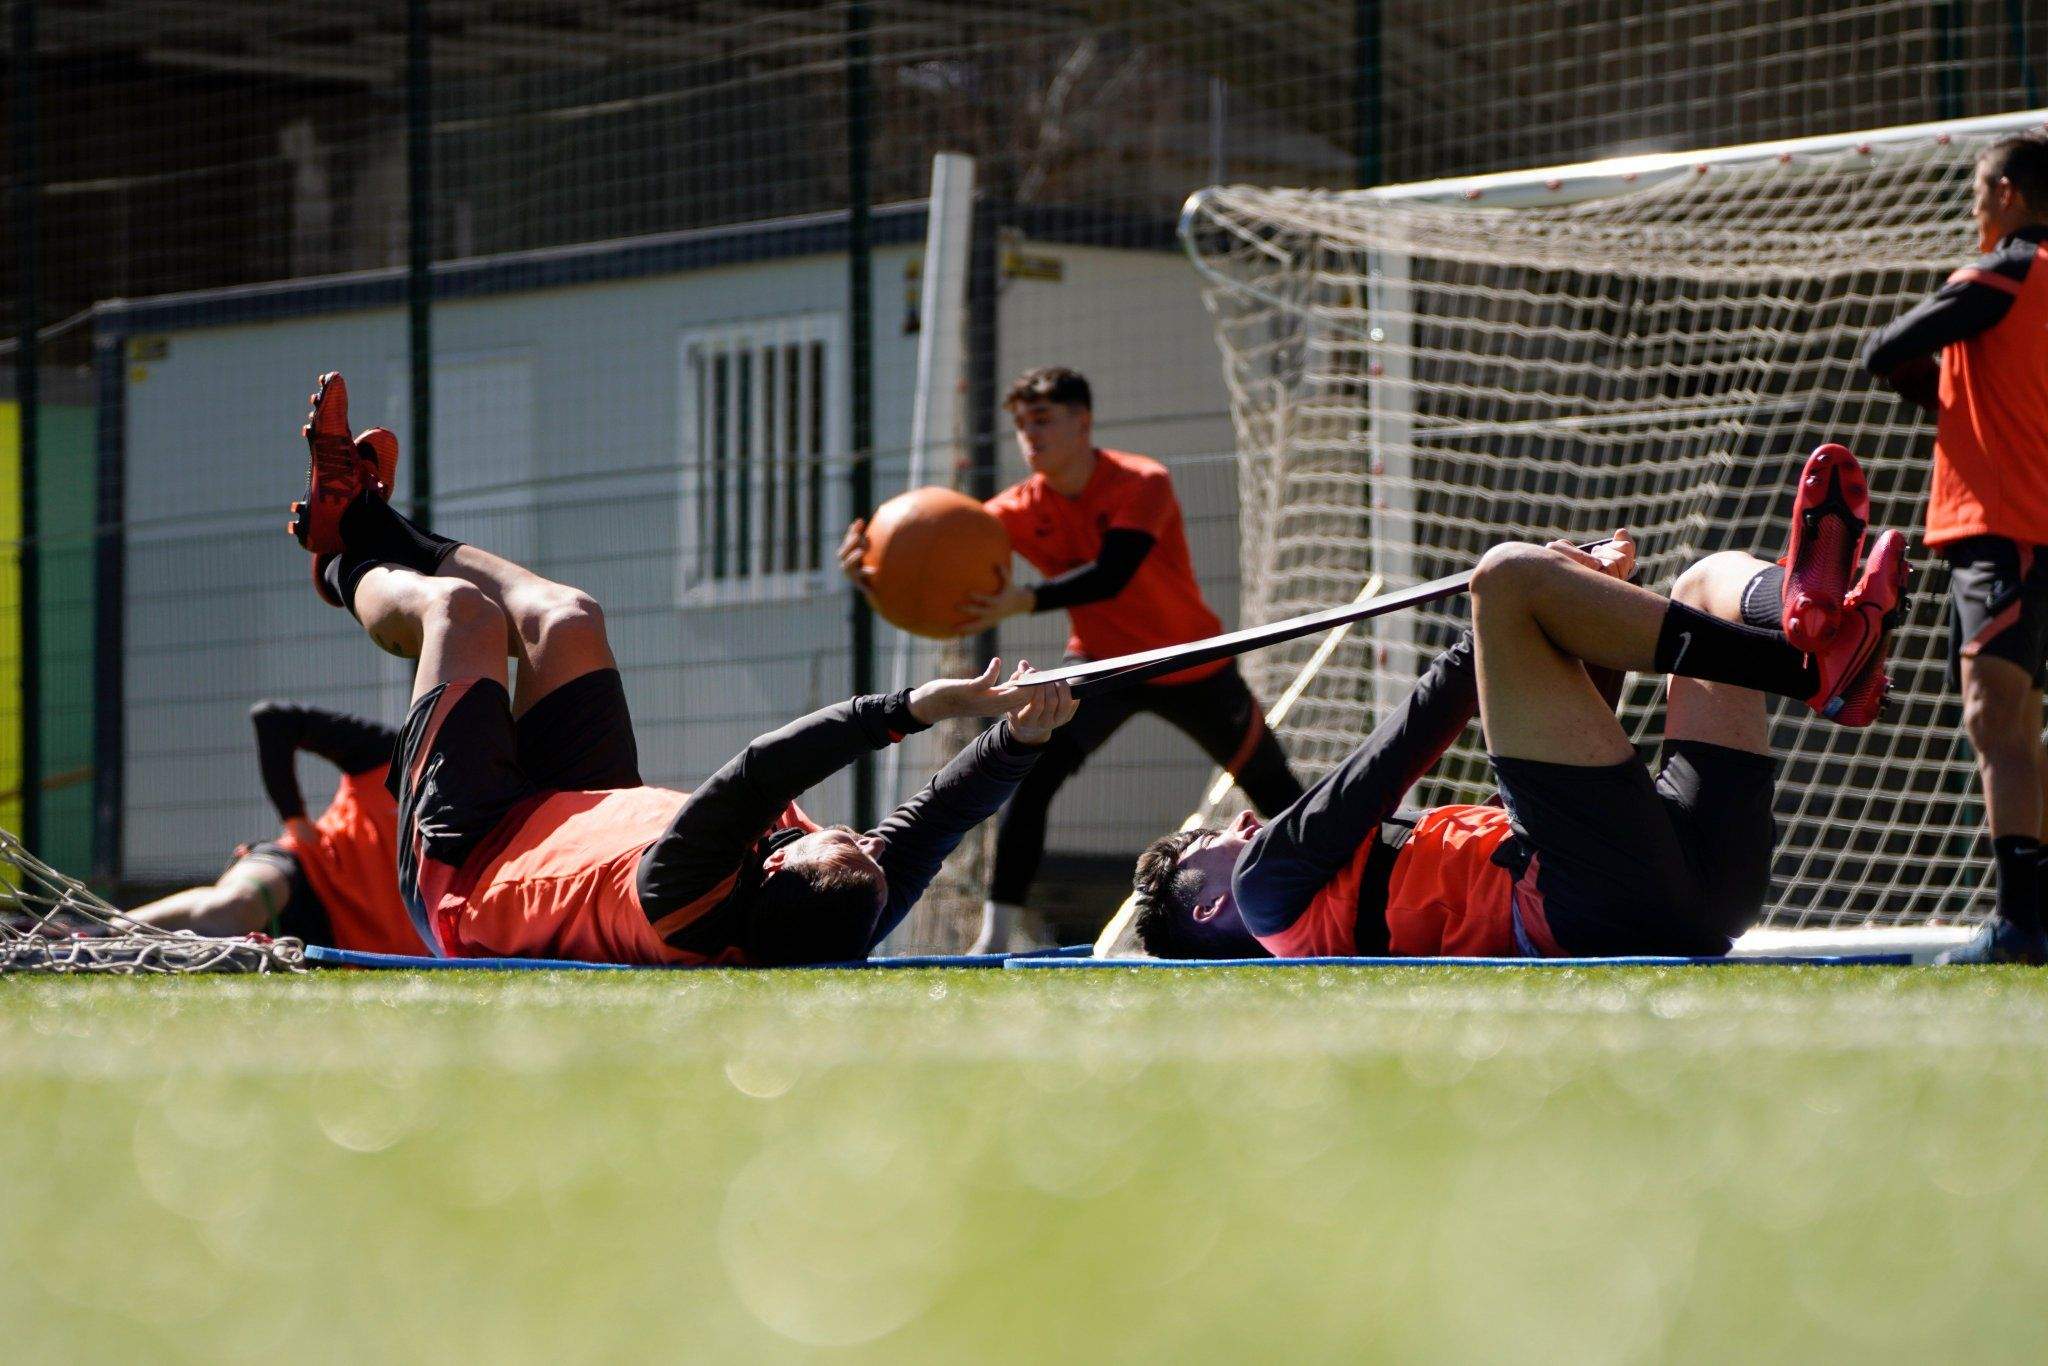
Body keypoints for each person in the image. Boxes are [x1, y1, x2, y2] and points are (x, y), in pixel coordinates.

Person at [289, 372, 1076, 966]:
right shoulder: (839, 905)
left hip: (468, 866)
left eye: (830, 843)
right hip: (580, 808)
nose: (850, 834)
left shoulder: (684, 895)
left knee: (462, 614)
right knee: (569, 617)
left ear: (767, 870)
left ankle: (344, 564)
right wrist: (1018, 738)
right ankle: (368, 521)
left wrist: (918, 705)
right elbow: (932, 825)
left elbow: (762, 770)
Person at [1131, 449, 1909, 961]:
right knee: (1506, 576)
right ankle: (1814, 672)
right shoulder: (1268, 890)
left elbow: (1586, 760)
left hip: (1681, 892)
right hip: (1595, 897)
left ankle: (1812, 623)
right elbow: (1400, 749)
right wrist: (1501, 604)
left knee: (1705, 585)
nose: (1238, 824)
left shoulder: (1320, 893)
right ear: (1207, 911)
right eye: (1207, 844)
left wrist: (1592, 601)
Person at [838, 366, 1303, 951]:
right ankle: (995, 937)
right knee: (1029, 776)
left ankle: (1325, 905)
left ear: (1082, 422)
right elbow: (939, 547)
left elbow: (1114, 573)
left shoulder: (1143, 481)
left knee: (1276, 791)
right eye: (1021, 425)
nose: (1030, 435)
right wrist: (879, 570)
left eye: (1043, 420)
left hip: (1190, 662)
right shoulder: (1016, 508)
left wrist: (1022, 600)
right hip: (1101, 666)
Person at [1862, 131, 2048, 965]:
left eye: (1977, 194)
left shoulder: (2005, 272)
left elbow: (1885, 350)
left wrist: (1945, 408)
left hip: (2004, 530)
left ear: (2007, 193)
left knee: (1995, 718)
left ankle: (2017, 927)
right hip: (2025, 530)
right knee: (2025, 722)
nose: (1974, 211)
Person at [124, 700, 422, 954]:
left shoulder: (466, 809)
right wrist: (294, 817)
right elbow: (274, 718)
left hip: (341, 941)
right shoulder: (396, 753)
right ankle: (97, 930)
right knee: (236, 906)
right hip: (306, 868)